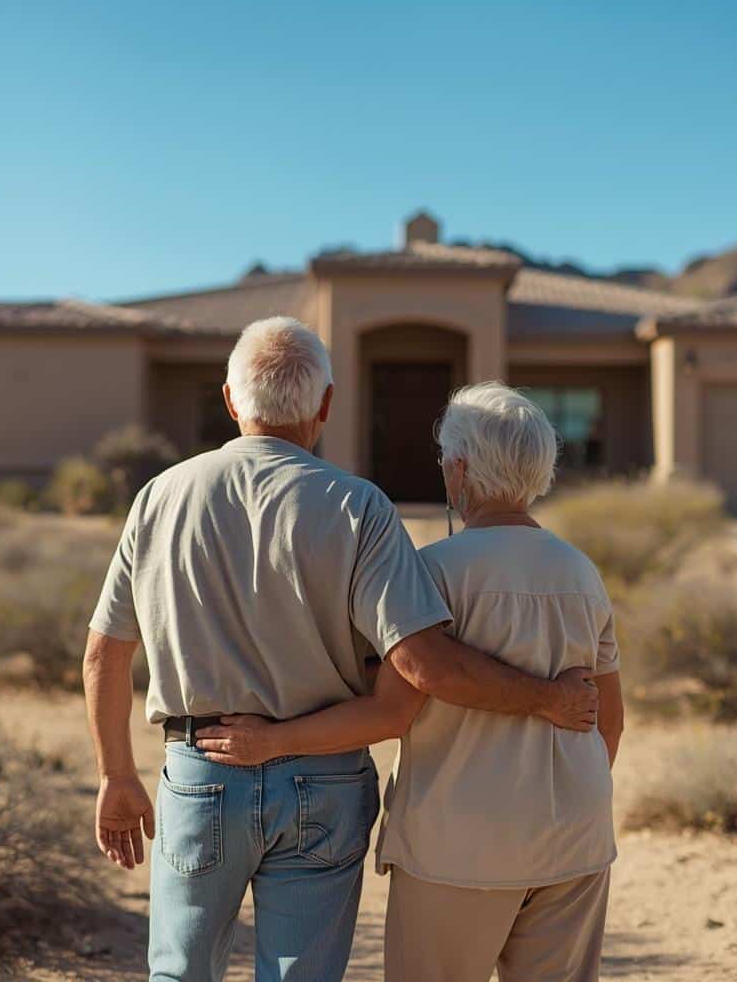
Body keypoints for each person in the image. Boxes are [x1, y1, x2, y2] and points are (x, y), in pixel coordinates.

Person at [81, 320, 600, 982]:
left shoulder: (160, 498)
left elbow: (104, 655)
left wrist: (116, 775)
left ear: (231, 400)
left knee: (180, 973)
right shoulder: (360, 507)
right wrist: (550, 699)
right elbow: (418, 671)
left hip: (200, 770)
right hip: (321, 782)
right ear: (325, 405)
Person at [199, 381, 625, 982]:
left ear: (459, 470)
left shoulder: (429, 574)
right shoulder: (583, 573)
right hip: (576, 840)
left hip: (457, 846)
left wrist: (270, 741)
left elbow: (388, 712)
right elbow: (610, 721)